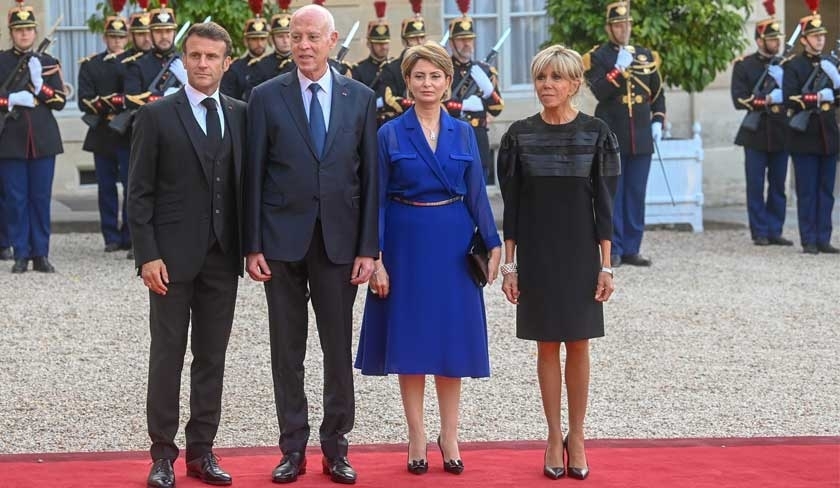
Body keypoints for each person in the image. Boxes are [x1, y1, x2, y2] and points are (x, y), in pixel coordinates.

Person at [245, 4, 378, 484]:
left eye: (311, 37)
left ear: (331, 39)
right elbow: (253, 174)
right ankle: (292, 449)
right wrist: (252, 243)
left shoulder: (360, 97)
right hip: (280, 243)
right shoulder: (265, 96)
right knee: (287, 350)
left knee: (337, 351)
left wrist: (369, 247)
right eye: (295, 36)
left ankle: (337, 447)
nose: (301, 44)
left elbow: (370, 178)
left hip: (340, 243)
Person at [355, 41, 501, 476]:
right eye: (419, 76)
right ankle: (417, 433)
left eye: (435, 76)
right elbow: (376, 201)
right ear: (408, 81)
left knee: (450, 342)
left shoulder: (464, 132)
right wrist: (376, 258)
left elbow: (476, 190)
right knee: (413, 341)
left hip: (454, 245)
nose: (427, 83)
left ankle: (450, 434)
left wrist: (493, 244)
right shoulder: (389, 134)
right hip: (405, 243)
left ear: (446, 80)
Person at [127, 21, 246, 488]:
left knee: (211, 357)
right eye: (194, 56)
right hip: (170, 260)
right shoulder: (157, 116)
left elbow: (245, 187)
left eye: (211, 57)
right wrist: (147, 255)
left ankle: (202, 452)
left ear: (226, 63)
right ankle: (162, 456)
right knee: (168, 355)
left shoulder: (240, 113)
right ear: (182, 61)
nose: (202, 64)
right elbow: (139, 194)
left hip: (223, 256)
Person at [498, 45, 619, 481]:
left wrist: (606, 265)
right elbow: (511, 207)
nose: (546, 85)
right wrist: (509, 266)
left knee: (580, 344)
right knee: (546, 345)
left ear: (574, 83)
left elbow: (605, 206)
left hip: (580, 251)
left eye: (556, 78)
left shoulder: (597, 133)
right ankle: (553, 436)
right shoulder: (518, 135)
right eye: (540, 78)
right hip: (537, 252)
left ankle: (579, 436)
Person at [583, 1, 665, 267]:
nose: (623, 29)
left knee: (636, 192)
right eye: (618, 25)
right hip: (612, 133)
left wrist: (658, 121)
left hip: (640, 134)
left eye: (626, 24)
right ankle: (614, 248)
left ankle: (632, 247)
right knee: (612, 194)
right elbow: (599, 92)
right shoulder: (598, 57)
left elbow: (657, 93)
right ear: (609, 28)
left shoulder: (645, 55)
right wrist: (617, 69)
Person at [0, 1, 66, 274]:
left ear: (35, 32)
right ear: (11, 32)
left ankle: (41, 253)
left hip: (43, 139)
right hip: (10, 140)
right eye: (19, 30)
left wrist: (41, 88)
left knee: (40, 198)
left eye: (28, 29)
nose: (24, 35)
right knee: (15, 200)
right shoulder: (1, 61)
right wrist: (9, 100)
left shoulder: (48, 62)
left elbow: (61, 100)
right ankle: (21, 253)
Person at [730, 5, 793, 247]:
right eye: (771, 39)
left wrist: (782, 91)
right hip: (755, 133)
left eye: (778, 39)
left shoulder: (787, 66)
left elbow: (794, 94)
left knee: (778, 185)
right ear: (759, 40)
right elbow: (739, 99)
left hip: (780, 130)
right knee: (755, 185)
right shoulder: (744, 65)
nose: (776, 43)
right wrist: (766, 98)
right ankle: (759, 231)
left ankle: (775, 229)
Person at [782, 7, 839, 254]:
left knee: (826, 191)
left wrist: (836, 83)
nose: (820, 39)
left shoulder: (831, 63)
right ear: (804, 40)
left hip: (828, 134)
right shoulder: (793, 65)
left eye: (822, 36)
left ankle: (824, 237)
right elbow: (790, 98)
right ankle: (809, 239)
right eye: (815, 36)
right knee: (807, 190)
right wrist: (817, 97)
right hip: (804, 135)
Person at [78, 7, 133, 256]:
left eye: (121, 37)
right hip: (102, 132)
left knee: (132, 187)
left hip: (129, 133)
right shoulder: (92, 65)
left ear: (127, 38)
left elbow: (135, 96)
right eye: (113, 37)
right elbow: (85, 100)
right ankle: (110, 236)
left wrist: (118, 101)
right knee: (106, 188)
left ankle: (129, 235)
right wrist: (110, 102)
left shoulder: (134, 63)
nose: (117, 41)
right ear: (105, 38)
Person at [445, 0, 504, 185]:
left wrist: (488, 91)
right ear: (452, 42)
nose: (467, 44)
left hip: (478, 136)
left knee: (479, 189)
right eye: (462, 40)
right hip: (451, 134)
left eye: (470, 39)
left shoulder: (484, 70)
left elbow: (497, 108)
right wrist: (462, 105)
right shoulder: (443, 70)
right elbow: (437, 104)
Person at [124, 2, 186, 112]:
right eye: (158, 32)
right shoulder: (138, 65)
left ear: (174, 33)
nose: (164, 36)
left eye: (168, 31)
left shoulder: (187, 61)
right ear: (151, 33)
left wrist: (189, 84)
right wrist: (166, 95)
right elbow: (131, 100)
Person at [377, 0, 427, 124]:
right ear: (405, 42)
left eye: (421, 37)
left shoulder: (430, 66)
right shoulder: (391, 68)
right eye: (414, 39)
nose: (419, 42)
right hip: (401, 123)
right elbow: (389, 99)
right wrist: (420, 105)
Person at [351, 1, 392, 126]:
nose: (383, 47)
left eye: (386, 42)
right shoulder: (359, 70)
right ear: (369, 44)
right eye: (378, 43)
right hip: (370, 124)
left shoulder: (395, 67)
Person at [220, 0, 269, 101]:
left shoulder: (278, 64)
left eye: (262, 39)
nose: (259, 43)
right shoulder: (235, 68)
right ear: (246, 41)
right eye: (254, 39)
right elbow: (228, 101)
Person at [251, 0, 295, 88]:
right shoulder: (261, 65)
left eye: (288, 36)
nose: (285, 40)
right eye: (280, 36)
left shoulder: (303, 62)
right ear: (272, 38)